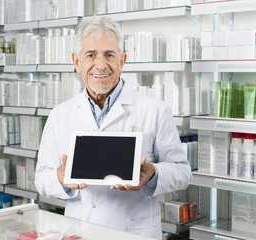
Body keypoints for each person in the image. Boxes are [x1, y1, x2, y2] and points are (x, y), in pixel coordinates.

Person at [35, 16, 192, 239]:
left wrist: (153, 174)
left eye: (109, 55)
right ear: (77, 61)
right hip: (80, 231)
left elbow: (183, 172)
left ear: (122, 60)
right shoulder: (60, 115)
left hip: (133, 232)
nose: (101, 65)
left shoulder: (155, 110)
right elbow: (41, 177)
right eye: (90, 55)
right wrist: (60, 178)